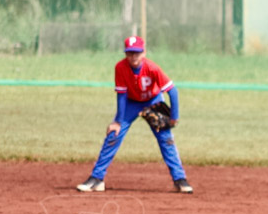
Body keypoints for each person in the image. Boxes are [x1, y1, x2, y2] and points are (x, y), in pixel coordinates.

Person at [76, 36, 193, 194]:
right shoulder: (120, 68)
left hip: (153, 100)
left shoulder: (152, 68)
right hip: (131, 103)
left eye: (137, 53)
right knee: (114, 135)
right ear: (125, 54)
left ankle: (180, 179)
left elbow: (173, 91)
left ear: (144, 52)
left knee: (166, 138)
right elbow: (122, 95)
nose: (133, 56)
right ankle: (97, 179)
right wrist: (118, 121)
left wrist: (174, 116)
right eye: (130, 53)